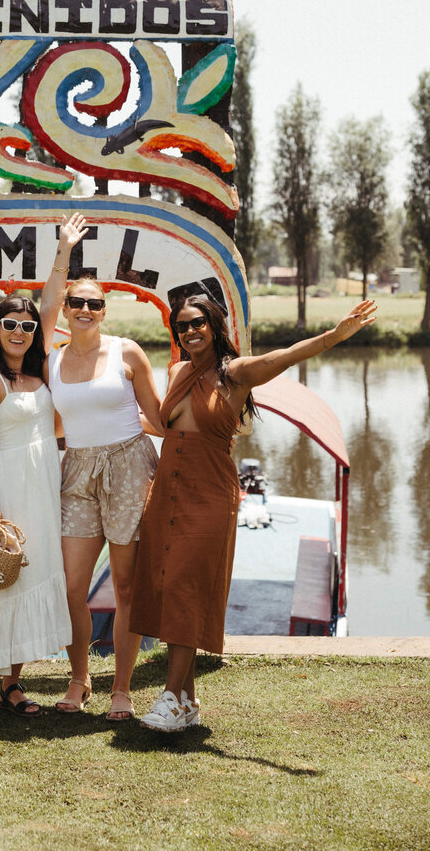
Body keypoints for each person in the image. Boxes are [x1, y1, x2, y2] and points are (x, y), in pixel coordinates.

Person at [130, 292, 377, 733]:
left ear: (214, 326)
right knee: (171, 589)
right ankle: (185, 702)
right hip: (167, 493)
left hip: (209, 495)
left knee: (186, 587)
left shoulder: (235, 373)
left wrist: (333, 336)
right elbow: (169, 425)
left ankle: (168, 697)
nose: (190, 331)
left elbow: (283, 357)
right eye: (182, 325)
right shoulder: (177, 371)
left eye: (198, 323)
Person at [40, 214, 164, 720]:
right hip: (78, 470)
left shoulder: (126, 352)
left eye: (94, 303)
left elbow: (159, 419)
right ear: (67, 309)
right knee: (73, 585)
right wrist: (63, 252)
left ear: (104, 311)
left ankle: (123, 688)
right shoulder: (50, 358)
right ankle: (79, 678)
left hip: (130, 465)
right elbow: (43, 306)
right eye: (77, 302)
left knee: (126, 586)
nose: (85, 310)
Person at [0, 297, 72, 715]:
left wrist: (63, 259)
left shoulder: (38, 371)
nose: (19, 333)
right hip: (10, 484)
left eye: (28, 327)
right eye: (10, 324)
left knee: (35, 572)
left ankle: (14, 678)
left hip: (44, 484)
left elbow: (50, 307)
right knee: (13, 576)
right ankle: (9, 685)